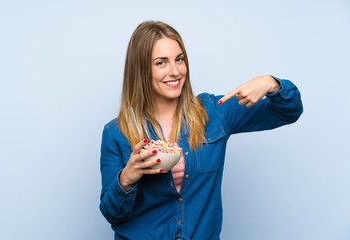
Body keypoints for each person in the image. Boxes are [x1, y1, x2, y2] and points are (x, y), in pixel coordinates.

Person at [99, 21, 303, 240]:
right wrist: (127, 178)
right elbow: (113, 214)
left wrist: (271, 83)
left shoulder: (215, 113)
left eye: (179, 59)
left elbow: (289, 111)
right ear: (140, 70)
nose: (175, 71)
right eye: (161, 63)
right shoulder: (116, 133)